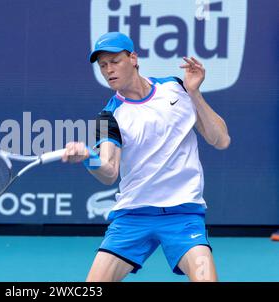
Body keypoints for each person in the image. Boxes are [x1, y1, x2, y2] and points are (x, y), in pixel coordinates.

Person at [61, 32, 231, 282]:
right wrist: (89, 157)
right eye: (103, 65)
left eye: (114, 61)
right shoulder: (109, 116)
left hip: (182, 215)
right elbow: (109, 172)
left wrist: (194, 93)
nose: (109, 70)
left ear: (133, 58)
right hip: (132, 216)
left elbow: (221, 140)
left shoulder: (175, 89)